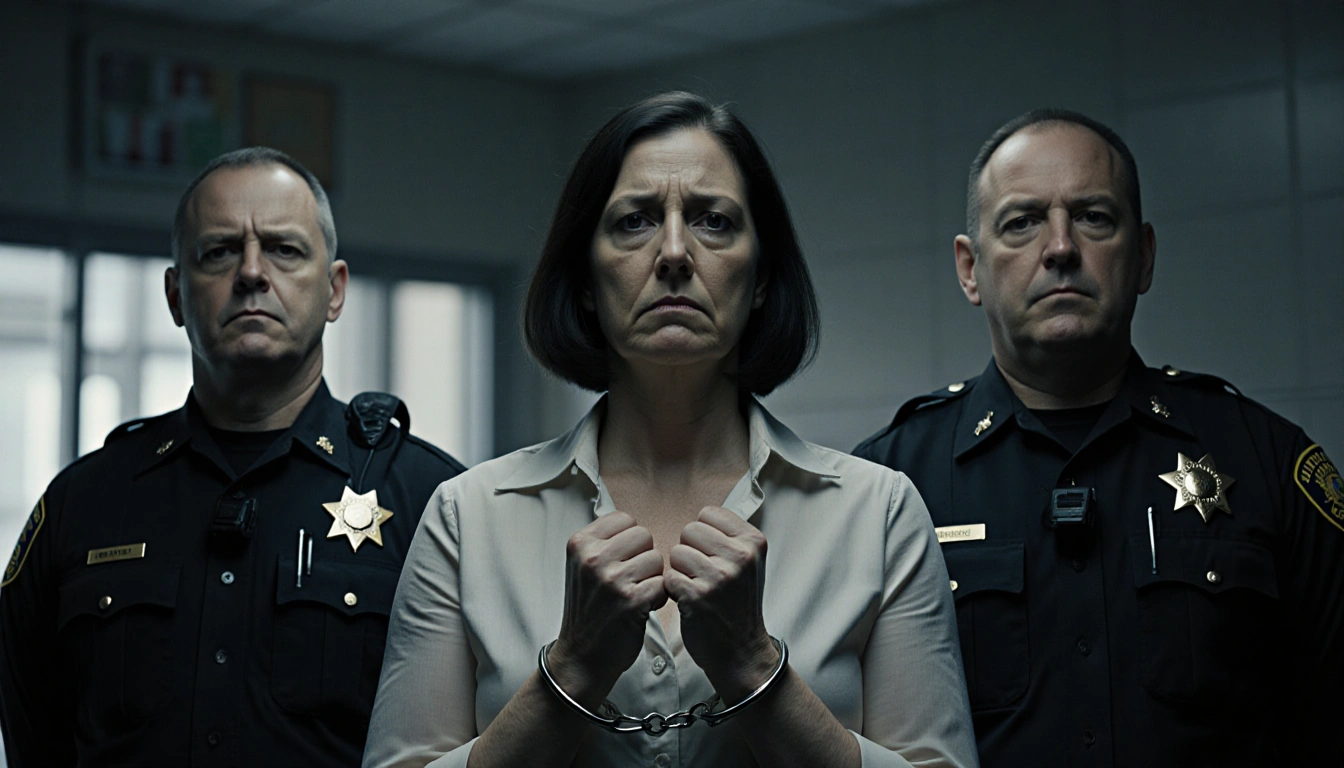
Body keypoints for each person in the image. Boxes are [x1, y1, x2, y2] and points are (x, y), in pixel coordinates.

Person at [363, 91, 977, 768]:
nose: (676, 252)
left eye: (714, 220)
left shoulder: (878, 515)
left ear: (764, 276)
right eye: (635, 221)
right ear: (587, 279)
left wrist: (752, 667)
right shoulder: (466, 519)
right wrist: (570, 673)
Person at [855, 109, 1344, 767]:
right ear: (970, 269)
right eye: (1022, 222)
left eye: (1093, 217)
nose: (1059, 247)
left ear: (1142, 257)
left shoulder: (1267, 461)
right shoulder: (887, 483)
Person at [0, 147, 466, 766]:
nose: (251, 272)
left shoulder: (432, 499)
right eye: (218, 251)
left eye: (284, 249)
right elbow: (34, 731)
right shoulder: (83, 502)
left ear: (334, 290)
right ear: (174, 295)